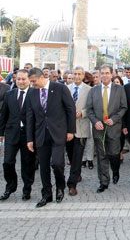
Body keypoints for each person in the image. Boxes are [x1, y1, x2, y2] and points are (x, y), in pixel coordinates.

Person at [26, 68, 76, 207]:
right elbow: (30, 116)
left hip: (58, 133)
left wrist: (71, 130)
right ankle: (46, 194)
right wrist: (30, 139)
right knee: (43, 167)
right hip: (41, 135)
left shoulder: (59, 88)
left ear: (42, 77)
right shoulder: (32, 92)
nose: (32, 84)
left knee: (57, 163)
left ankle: (60, 188)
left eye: (34, 81)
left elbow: (70, 109)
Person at [86, 64, 127, 193]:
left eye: (106, 73)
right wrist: (95, 121)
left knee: (114, 153)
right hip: (99, 128)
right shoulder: (93, 90)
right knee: (102, 155)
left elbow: (123, 107)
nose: (104, 76)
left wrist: (114, 119)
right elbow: (89, 109)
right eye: (102, 73)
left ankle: (115, 170)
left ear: (111, 73)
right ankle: (103, 182)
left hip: (114, 128)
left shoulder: (119, 89)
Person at [0, 70, 35, 201]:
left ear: (29, 80)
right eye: (18, 79)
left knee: (27, 163)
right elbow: (4, 115)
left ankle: (27, 189)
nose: (20, 81)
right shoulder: (9, 94)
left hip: (28, 135)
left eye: (23, 79)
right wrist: (1, 133)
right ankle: (10, 186)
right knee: (7, 162)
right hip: (11, 133)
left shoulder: (34, 94)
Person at [65, 66, 92, 196]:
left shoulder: (89, 90)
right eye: (74, 73)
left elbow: (91, 107)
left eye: (79, 74)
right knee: (70, 155)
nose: (76, 76)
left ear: (83, 76)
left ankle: (72, 184)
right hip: (68, 128)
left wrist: (82, 112)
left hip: (81, 127)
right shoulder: (66, 89)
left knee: (77, 156)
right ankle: (77, 174)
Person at [111, 76, 127, 163]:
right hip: (110, 120)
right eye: (114, 82)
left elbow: (125, 108)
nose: (116, 84)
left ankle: (120, 153)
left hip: (121, 120)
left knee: (121, 139)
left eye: (118, 82)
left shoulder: (123, 92)